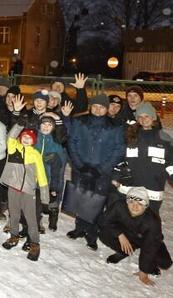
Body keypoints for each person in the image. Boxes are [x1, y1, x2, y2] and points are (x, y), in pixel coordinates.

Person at [112, 102, 173, 213]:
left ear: (153, 117)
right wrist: (118, 175)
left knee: (149, 224)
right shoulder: (129, 136)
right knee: (125, 220)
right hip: (128, 187)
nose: (143, 119)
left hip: (152, 189)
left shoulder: (164, 138)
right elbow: (120, 159)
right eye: (140, 117)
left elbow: (172, 162)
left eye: (147, 116)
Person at [64, 94, 125, 250]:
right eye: (95, 106)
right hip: (81, 167)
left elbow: (118, 149)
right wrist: (78, 164)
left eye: (102, 107)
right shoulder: (80, 122)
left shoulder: (115, 126)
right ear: (91, 107)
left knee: (96, 202)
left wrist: (103, 168)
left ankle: (92, 234)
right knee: (81, 197)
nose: (98, 110)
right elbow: (72, 142)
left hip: (101, 171)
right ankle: (79, 228)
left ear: (107, 109)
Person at [99, 187, 173, 287]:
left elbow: (149, 247)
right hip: (126, 234)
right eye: (132, 202)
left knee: (165, 262)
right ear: (127, 202)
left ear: (146, 206)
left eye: (140, 204)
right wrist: (119, 235)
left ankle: (150, 265)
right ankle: (124, 251)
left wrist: (143, 271)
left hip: (145, 239)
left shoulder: (153, 222)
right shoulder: (118, 206)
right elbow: (105, 221)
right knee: (104, 234)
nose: (135, 206)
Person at [0, 126, 49, 262]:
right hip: (13, 189)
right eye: (24, 137)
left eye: (29, 138)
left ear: (33, 141)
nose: (26, 139)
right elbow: (10, 137)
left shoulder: (35, 154)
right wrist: (19, 125)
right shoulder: (13, 148)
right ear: (20, 138)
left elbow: (42, 175)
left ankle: (35, 244)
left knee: (31, 218)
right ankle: (14, 236)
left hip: (28, 191)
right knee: (14, 215)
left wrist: (45, 197)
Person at [34, 114, 67, 231]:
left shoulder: (55, 141)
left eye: (49, 125)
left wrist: (54, 159)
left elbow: (62, 161)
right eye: (44, 124)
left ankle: (53, 217)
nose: (46, 127)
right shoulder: (35, 137)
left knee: (52, 198)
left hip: (50, 175)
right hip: (35, 176)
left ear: (53, 127)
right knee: (36, 200)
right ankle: (37, 221)